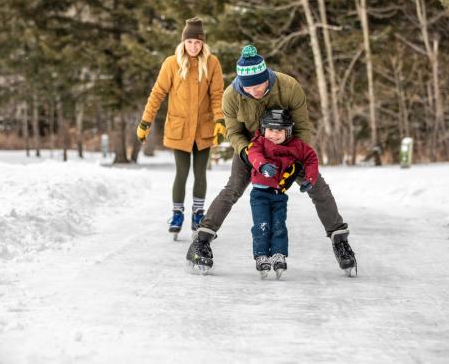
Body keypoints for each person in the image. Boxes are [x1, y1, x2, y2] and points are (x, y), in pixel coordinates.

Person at [186, 44, 357, 275]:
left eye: (259, 85)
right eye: (249, 87)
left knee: (317, 186)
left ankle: (340, 240)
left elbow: (303, 127)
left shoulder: (288, 87)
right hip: (252, 150)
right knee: (233, 189)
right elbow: (234, 132)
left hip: (288, 149)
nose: (255, 91)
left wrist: (298, 160)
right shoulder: (231, 96)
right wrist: (247, 154)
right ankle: (202, 239)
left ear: (267, 77)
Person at [137, 17, 226, 240]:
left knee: (200, 173)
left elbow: (217, 96)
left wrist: (220, 121)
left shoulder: (212, 63)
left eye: (197, 43)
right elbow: (157, 94)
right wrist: (145, 122)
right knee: (182, 172)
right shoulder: (171, 63)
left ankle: (198, 214)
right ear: (183, 43)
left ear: (203, 43)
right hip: (180, 128)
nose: (193, 47)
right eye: (189, 43)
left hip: (204, 128)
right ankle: (177, 213)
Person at [247, 108, 319, 279]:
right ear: (264, 129)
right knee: (262, 226)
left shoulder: (296, 146)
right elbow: (253, 153)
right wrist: (262, 165)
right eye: (271, 130)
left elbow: (311, 157)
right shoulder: (260, 142)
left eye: (279, 131)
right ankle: (261, 256)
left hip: (279, 195)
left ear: (288, 131)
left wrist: (310, 178)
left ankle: (279, 255)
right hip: (260, 194)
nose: (274, 134)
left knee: (279, 226)